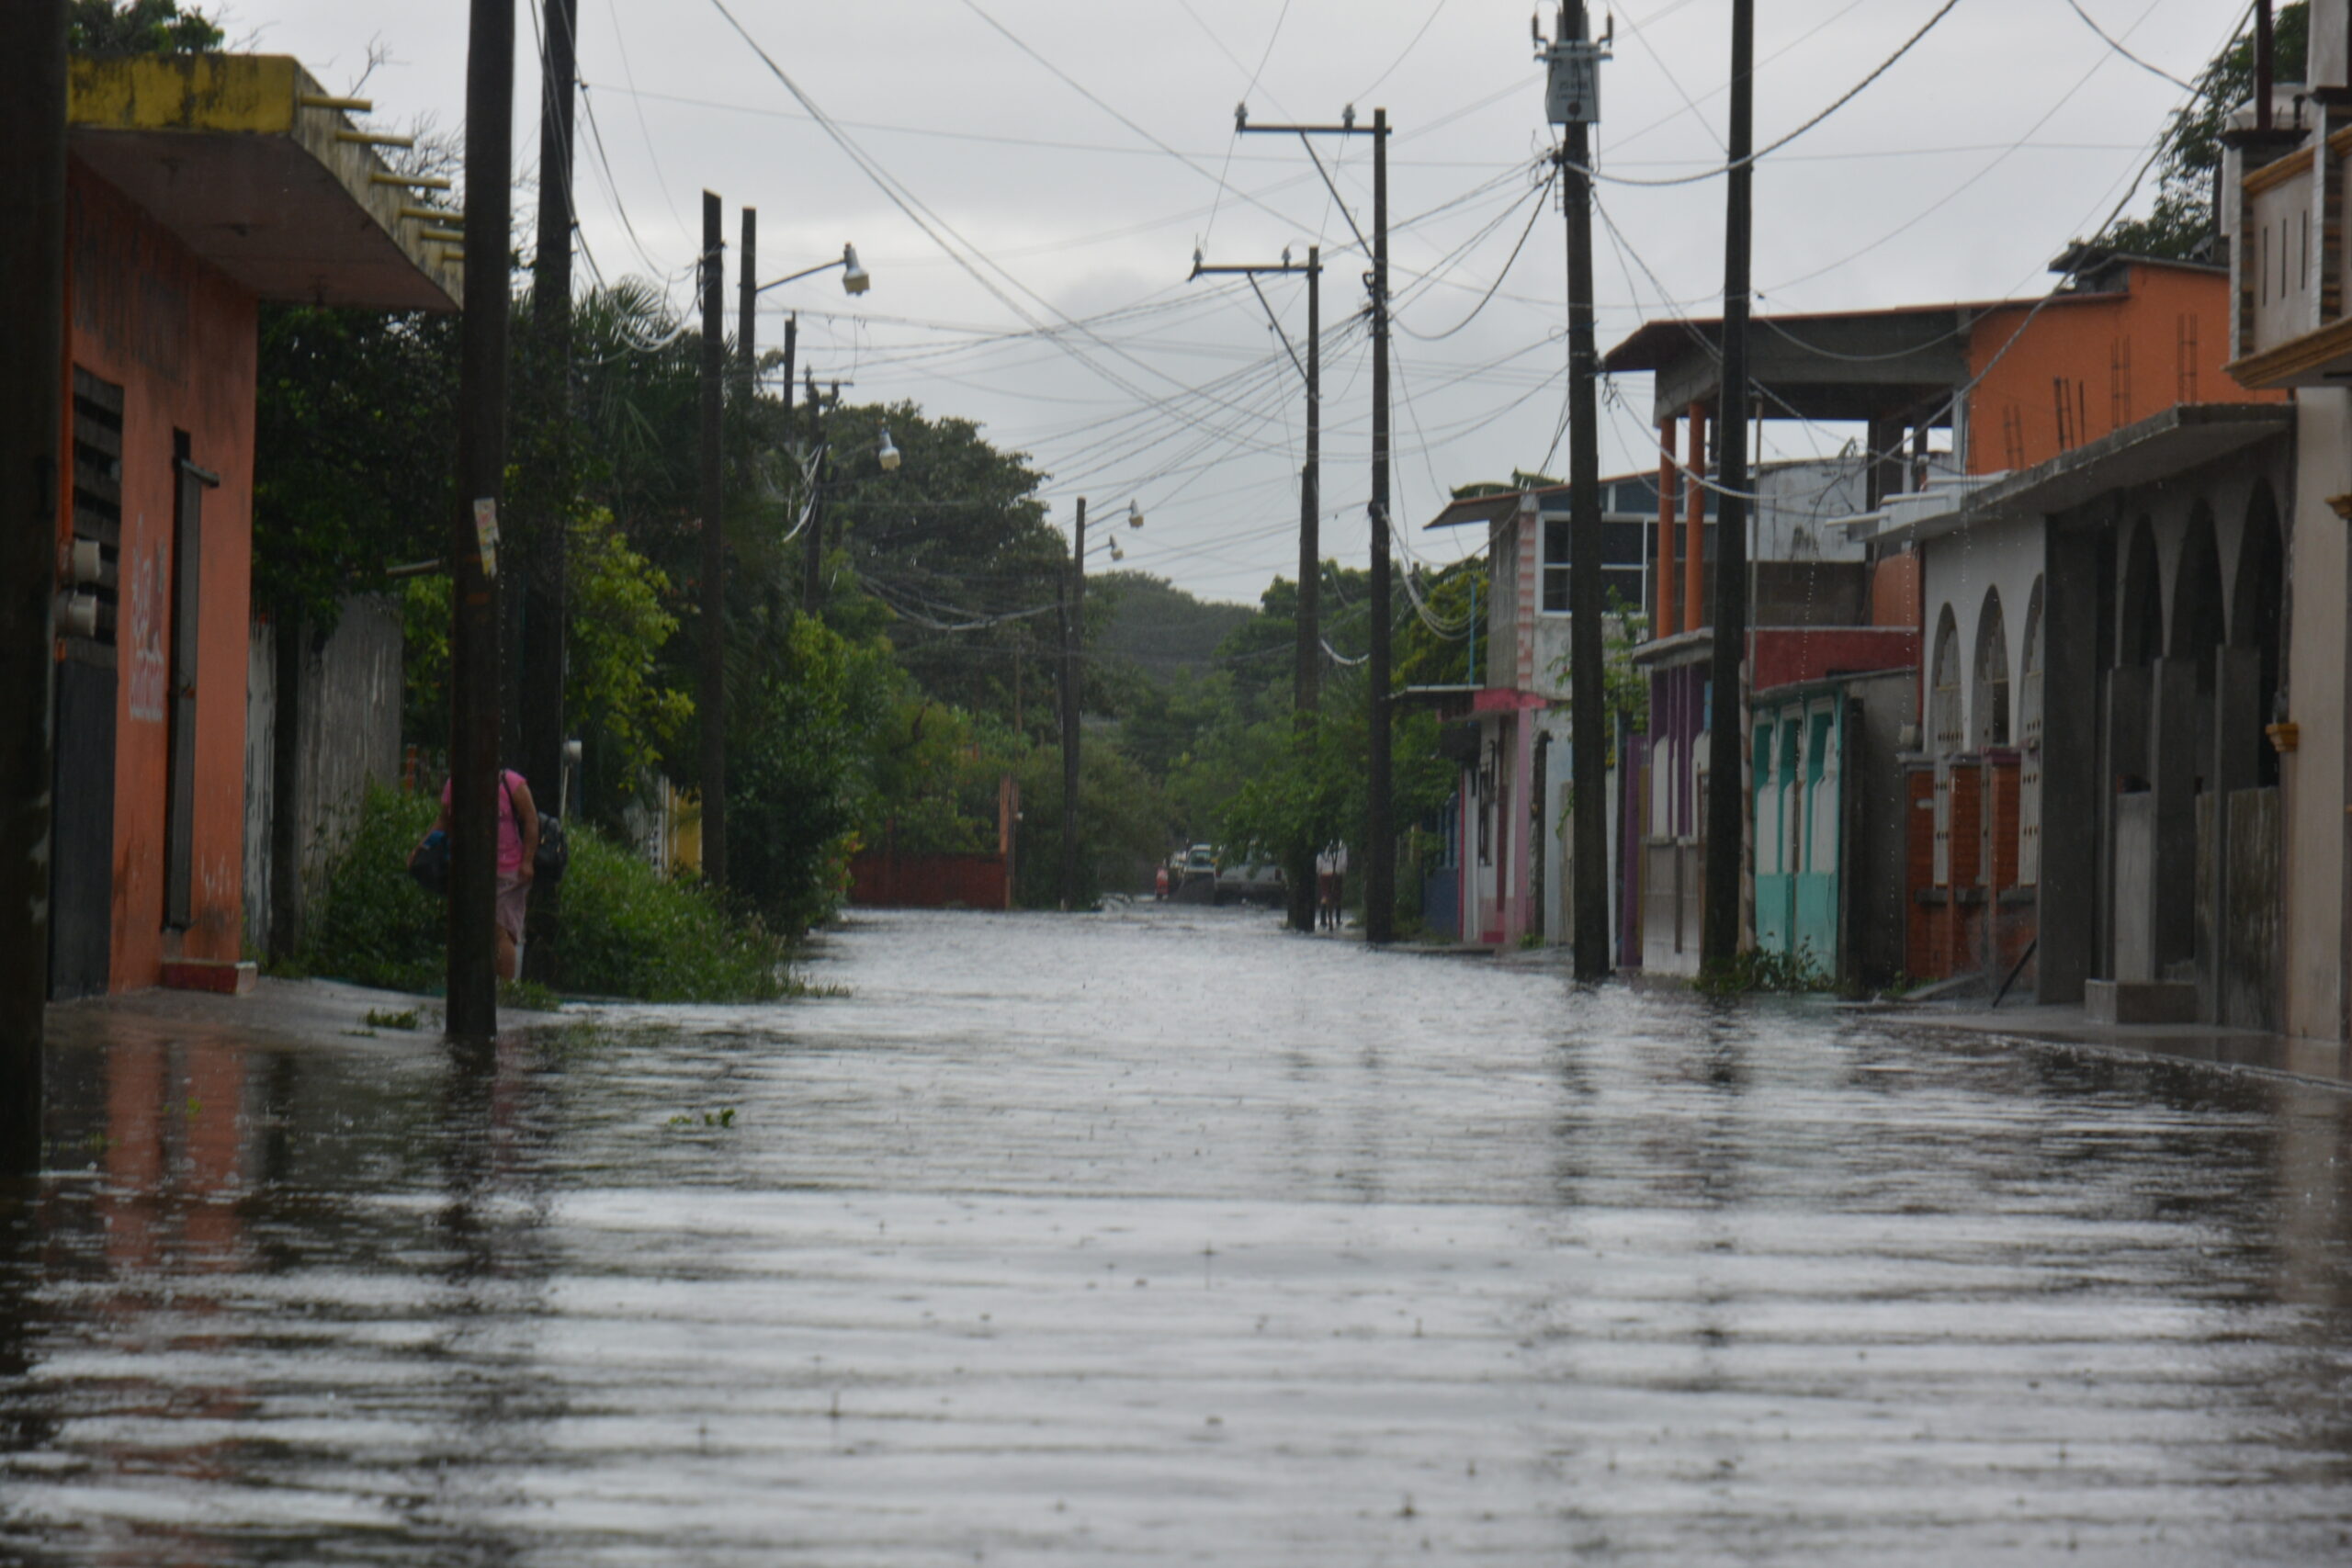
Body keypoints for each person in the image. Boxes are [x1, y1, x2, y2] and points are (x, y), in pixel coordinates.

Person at [413, 766, 539, 981]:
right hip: (471, 868)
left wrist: (527, 862)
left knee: (501, 931)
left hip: (508, 870)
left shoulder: (512, 783)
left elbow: (531, 820)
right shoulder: (456, 784)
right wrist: (421, 849)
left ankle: (505, 988)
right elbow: (444, 821)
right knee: (476, 930)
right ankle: (480, 983)